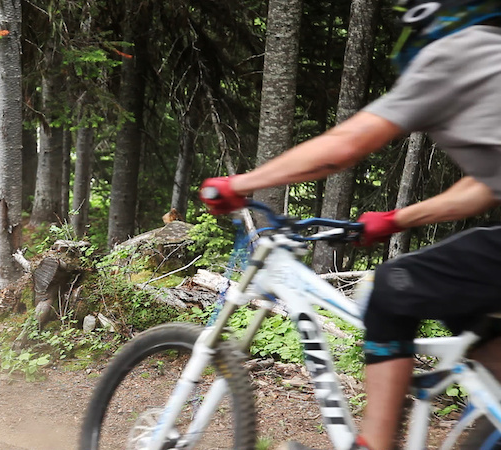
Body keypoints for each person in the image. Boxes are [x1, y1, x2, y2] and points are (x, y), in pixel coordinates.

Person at [200, 1, 501, 449]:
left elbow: (343, 146)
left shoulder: (456, 53)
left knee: (392, 285)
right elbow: (479, 188)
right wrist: (395, 219)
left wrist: (240, 183)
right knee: (477, 323)